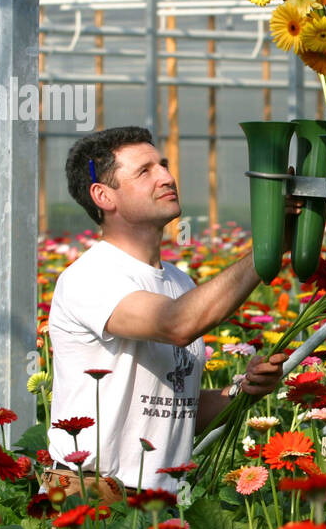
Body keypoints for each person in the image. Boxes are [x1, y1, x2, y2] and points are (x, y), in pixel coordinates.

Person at [45, 125, 291, 502]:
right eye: (144, 171)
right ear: (103, 195)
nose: (166, 176)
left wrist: (244, 390)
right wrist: (269, 249)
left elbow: (178, 409)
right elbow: (177, 324)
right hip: (94, 495)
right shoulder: (90, 276)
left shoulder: (180, 283)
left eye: (163, 164)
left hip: (162, 499)